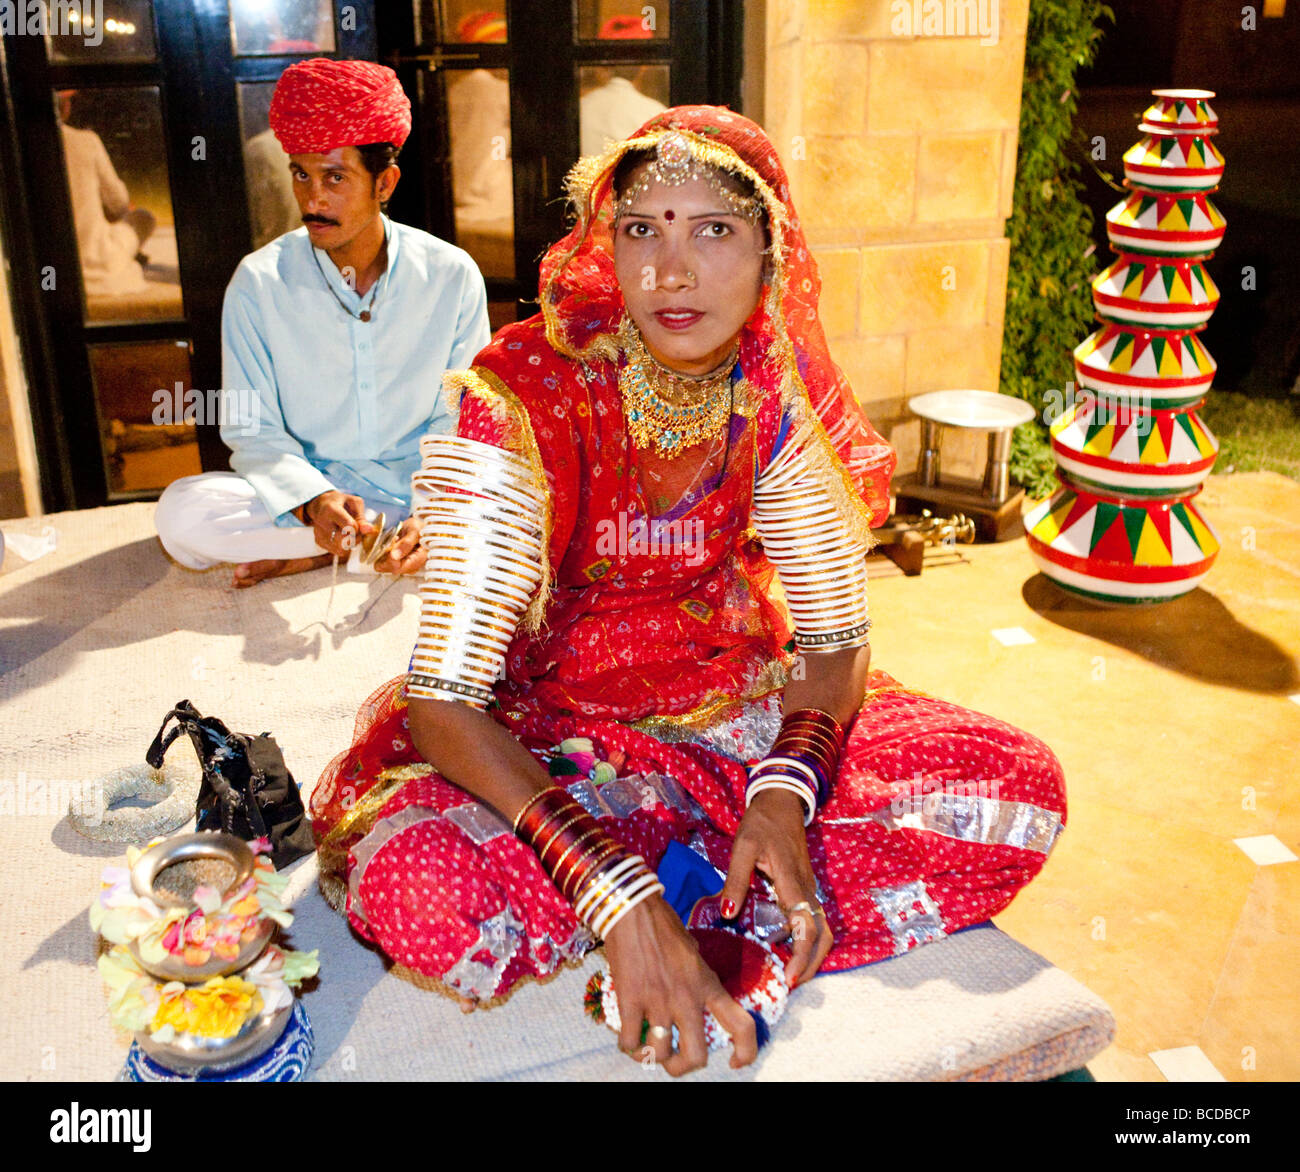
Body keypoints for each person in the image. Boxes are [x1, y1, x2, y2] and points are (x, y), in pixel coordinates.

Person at [310, 107, 1067, 1076]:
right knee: (421, 887)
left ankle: (718, 882)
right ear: (604, 246)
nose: (671, 272)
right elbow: (445, 701)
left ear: (769, 252)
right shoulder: (518, 396)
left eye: (712, 230)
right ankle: (690, 899)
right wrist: (609, 887)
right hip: (561, 742)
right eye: (641, 230)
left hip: (736, 721)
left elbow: (834, 643)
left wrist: (786, 794)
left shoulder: (770, 396)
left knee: (1015, 781)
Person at [154, 58, 491, 588]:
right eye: (301, 175)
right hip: (315, 495)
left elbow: (463, 422)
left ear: (385, 182)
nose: (313, 200)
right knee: (181, 514)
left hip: (418, 491)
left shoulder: (450, 275)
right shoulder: (258, 283)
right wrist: (312, 500)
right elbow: (252, 429)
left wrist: (434, 508)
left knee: (528, 503)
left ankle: (337, 551)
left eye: (336, 178)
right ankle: (356, 543)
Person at [58, 91, 155, 298]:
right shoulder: (86, 141)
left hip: (55, 268)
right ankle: (130, 255)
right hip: (95, 262)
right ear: (65, 106)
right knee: (143, 218)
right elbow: (119, 202)